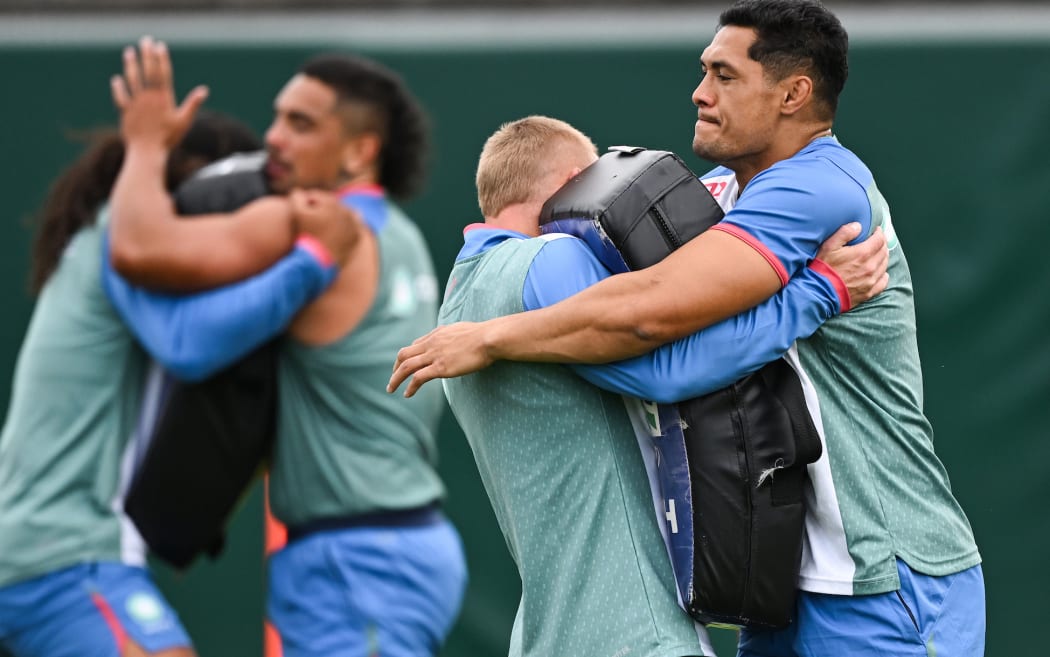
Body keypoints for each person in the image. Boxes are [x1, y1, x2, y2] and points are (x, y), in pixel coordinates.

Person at [389, 2, 984, 656]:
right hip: (782, 587)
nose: (700, 92)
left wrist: (491, 336)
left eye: (724, 76)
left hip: (884, 573)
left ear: (793, 94)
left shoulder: (818, 188)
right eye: (704, 71)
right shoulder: (720, 192)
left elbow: (648, 315)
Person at [430, 115, 887, 657]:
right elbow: (666, 370)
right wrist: (821, 291)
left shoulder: (460, 296)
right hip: (635, 632)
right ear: (574, 184)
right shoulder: (550, 255)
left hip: (544, 636)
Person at [107, 38, 467, 657]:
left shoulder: (317, 224)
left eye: (301, 124)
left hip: (356, 566)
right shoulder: (397, 232)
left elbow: (138, 251)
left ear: (360, 151)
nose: (273, 138)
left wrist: (142, 146)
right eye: (277, 117)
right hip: (395, 550)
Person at [0, 111, 351, 657]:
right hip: (64, 553)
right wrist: (316, 259)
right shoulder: (122, 241)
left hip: (42, 548)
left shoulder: (107, 238)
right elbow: (188, 347)